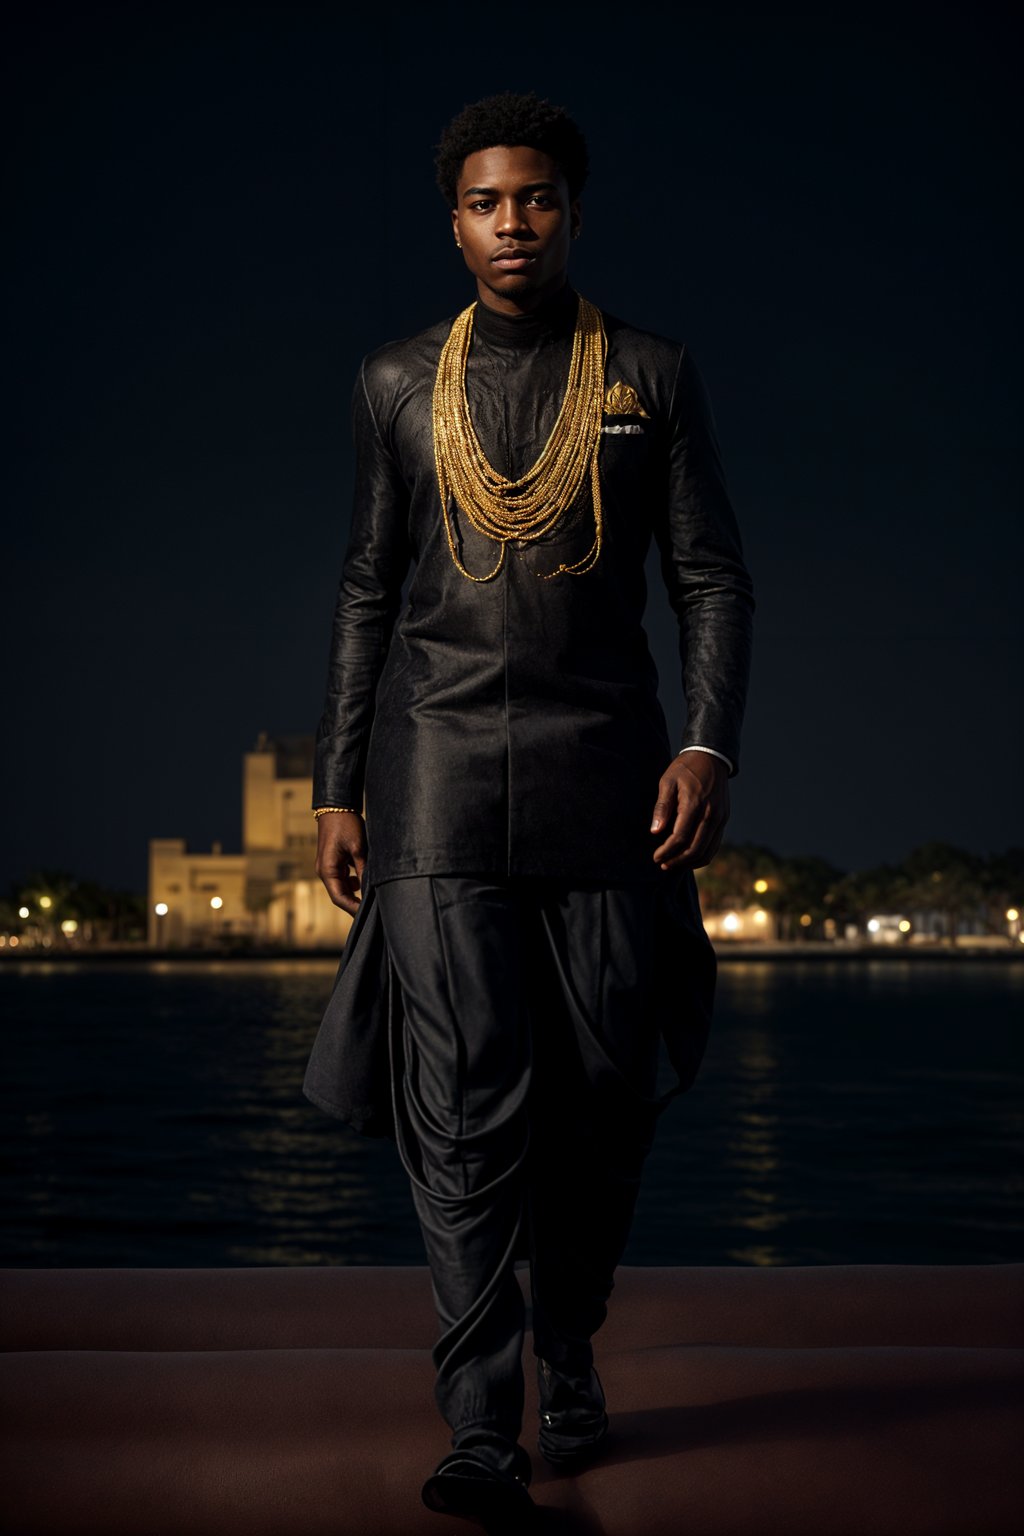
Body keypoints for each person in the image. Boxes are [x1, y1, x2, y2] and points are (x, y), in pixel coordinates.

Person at [307, 90, 755, 1532]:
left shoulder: (651, 373)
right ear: (454, 221)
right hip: (433, 770)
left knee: (609, 1089)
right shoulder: (390, 382)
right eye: (487, 202)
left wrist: (709, 747)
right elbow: (372, 587)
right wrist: (336, 780)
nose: (514, 223)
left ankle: (567, 1334)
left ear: (573, 210)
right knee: (466, 1103)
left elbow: (712, 579)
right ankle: (481, 1423)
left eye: (539, 198)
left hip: (612, 769)